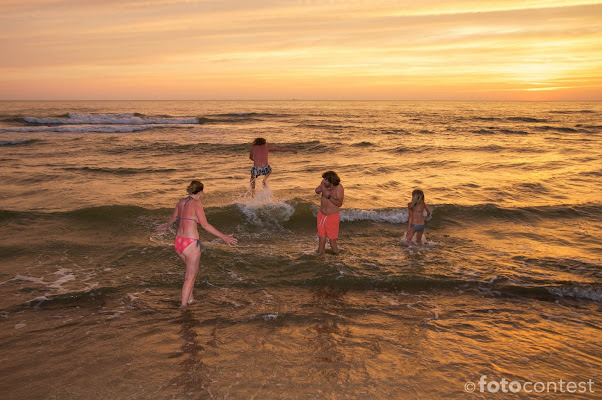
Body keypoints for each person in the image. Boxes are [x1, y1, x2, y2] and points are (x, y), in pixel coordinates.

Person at [157, 180, 237, 310]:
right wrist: (223, 236)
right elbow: (205, 225)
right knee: (190, 276)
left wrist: (166, 226)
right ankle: (183, 307)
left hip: (178, 242)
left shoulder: (181, 201)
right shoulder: (196, 203)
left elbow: (174, 217)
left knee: (192, 271)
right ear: (200, 192)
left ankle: (190, 298)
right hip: (190, 244)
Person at [315, 171, 344, 254]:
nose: (323, 181)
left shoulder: (339, 188)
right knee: (321, 240)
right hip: (321, 215)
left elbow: (339, 203)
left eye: (325, 179)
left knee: (332, 242)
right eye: (323, 179)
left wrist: (328, 196)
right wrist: (322, 186)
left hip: (332, 217)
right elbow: (317, 191)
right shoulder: (324, 185)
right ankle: (320, 260)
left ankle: (337, 261)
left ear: (331, 180)